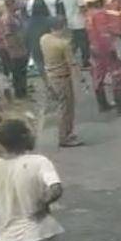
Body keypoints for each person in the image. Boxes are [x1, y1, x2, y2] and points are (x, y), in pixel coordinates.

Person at [84, 0, 121, 113]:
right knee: (117, 75)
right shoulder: (100, 15)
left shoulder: (88, 14)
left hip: (94, 49)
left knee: (98, 76)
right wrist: (111, 50)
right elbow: (104, 35)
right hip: (105, 49)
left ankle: (103, 104)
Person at [40, 17, 83, 148]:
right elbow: (72, 63)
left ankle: (67, 133)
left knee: (63, 105)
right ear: (63, 27)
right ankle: (64, 136)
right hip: (62, 77)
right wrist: (81, 78)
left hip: (51, 76)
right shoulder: (63, 44)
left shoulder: (44, 39)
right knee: (66, 108)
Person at [0, 0, 28, 99]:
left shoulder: (15, 16)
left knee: (21, 70)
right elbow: (8, 35)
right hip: (15, 49)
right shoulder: (7, 18)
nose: (18, 5)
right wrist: (13, 49)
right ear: (10, 5)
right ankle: (20, 93)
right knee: (17, 71)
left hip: (20, 46)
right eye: (15, 4)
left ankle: (23, 90)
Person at [59, 0, 90, 67]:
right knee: (84, 42)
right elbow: (82, 7)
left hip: (70, 20)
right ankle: (86, 61)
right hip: (79, 21)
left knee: (75, 41)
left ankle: (67, 59)